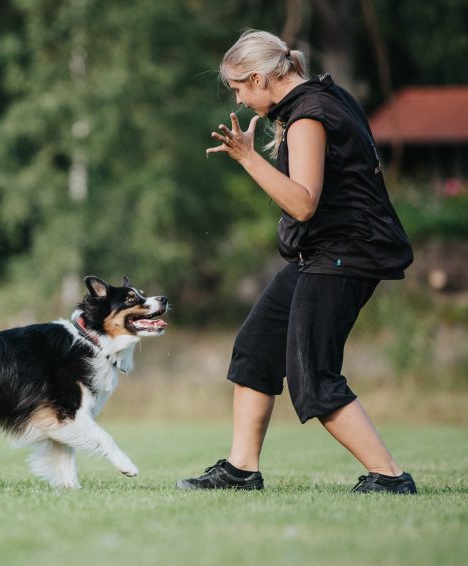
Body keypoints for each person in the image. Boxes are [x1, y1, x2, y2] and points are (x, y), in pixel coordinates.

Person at [176, 30, 416, 494]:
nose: (241, 100)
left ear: (261, 78)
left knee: (313, 375)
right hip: (323, 253)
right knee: (255, 349)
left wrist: (248, 159)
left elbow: (304, 203)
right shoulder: (323, 97)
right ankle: (241, 469)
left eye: (240, 87)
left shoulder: (309, 115)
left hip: (344, 255)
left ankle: (390, 477)